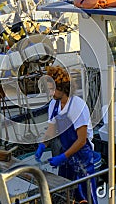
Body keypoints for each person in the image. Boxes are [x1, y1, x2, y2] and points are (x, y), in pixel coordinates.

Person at [35, 66, 98, 204]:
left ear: (63, 88)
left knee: (86, 195)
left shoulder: (77, 106)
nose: (50, 93)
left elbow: (81, 140)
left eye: (52, 89)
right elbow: (51, 131)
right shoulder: (54, 104)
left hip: (82, 157)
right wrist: (42, 145)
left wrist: (63, 157)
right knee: (65, 193)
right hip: (67, 154)